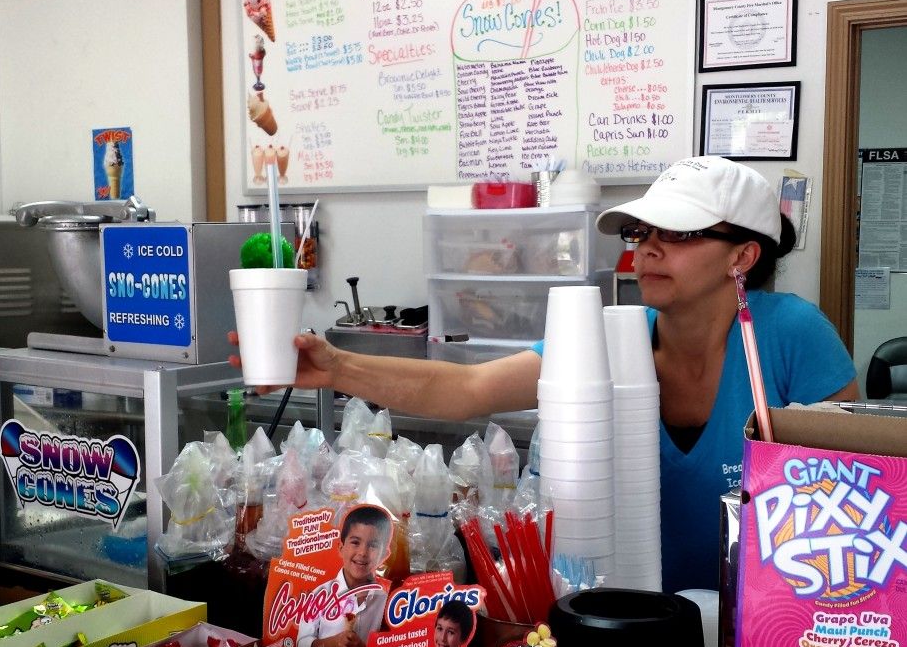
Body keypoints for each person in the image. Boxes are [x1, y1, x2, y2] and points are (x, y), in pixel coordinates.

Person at [230, 156, 858, 592]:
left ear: (743, 256)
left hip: (762, 623)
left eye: (681, 233)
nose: (649, 248)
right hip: (630, 618)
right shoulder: (609, 337)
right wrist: (336, 364)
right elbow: (467, 389)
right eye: (643, 231)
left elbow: (851, 508)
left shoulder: (793, 339)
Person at [296, 504, 392, 647]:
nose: (362, 553)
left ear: (384, 555)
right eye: (355, 542)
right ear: (340, 547)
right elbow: (301, 646)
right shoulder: (320, 594)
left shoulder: (386, 601)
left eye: (373, 545)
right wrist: (334, 643)